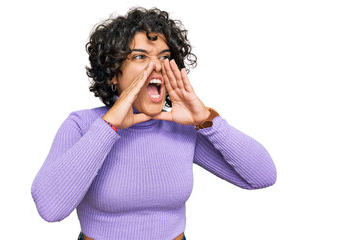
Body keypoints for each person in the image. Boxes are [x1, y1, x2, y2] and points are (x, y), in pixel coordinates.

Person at [31, 7, 277, 240]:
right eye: (140, 56)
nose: (157, 65)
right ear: (114, 74)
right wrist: (108, 128)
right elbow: (50, 209)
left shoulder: (182, 128)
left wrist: (206, 119)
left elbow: (262, 176)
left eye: (165, 57)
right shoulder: (83, 125)